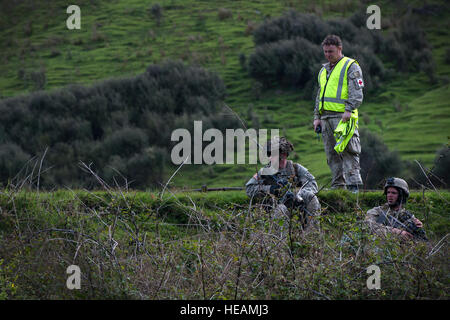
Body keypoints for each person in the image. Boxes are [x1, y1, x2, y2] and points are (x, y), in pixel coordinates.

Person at [313, 34, 364, 193]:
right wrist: (317, 117)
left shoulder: (351, 66)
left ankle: (353, 188)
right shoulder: (323, 70)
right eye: (326, 52)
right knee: (332, 155)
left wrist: (349, 110)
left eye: (331, 51)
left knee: (349, 151)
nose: (328, 55)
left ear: (339, 49)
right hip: (326, 118)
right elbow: (320, 95)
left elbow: (357, 91)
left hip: (343, 117)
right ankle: (338, 189)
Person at [245, 136, 321, 230]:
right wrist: (270, 189)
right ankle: (282, 241)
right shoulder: (265, 172)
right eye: (270, 155)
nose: (272, 158)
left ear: (284, 155)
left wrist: (298, 195)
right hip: (275, 207)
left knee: (312, 198)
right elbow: (249, 189)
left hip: (298, 206)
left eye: (276, 155)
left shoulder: (295, 168)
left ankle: (312, 235)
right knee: (281, 209)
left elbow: (312, 183)